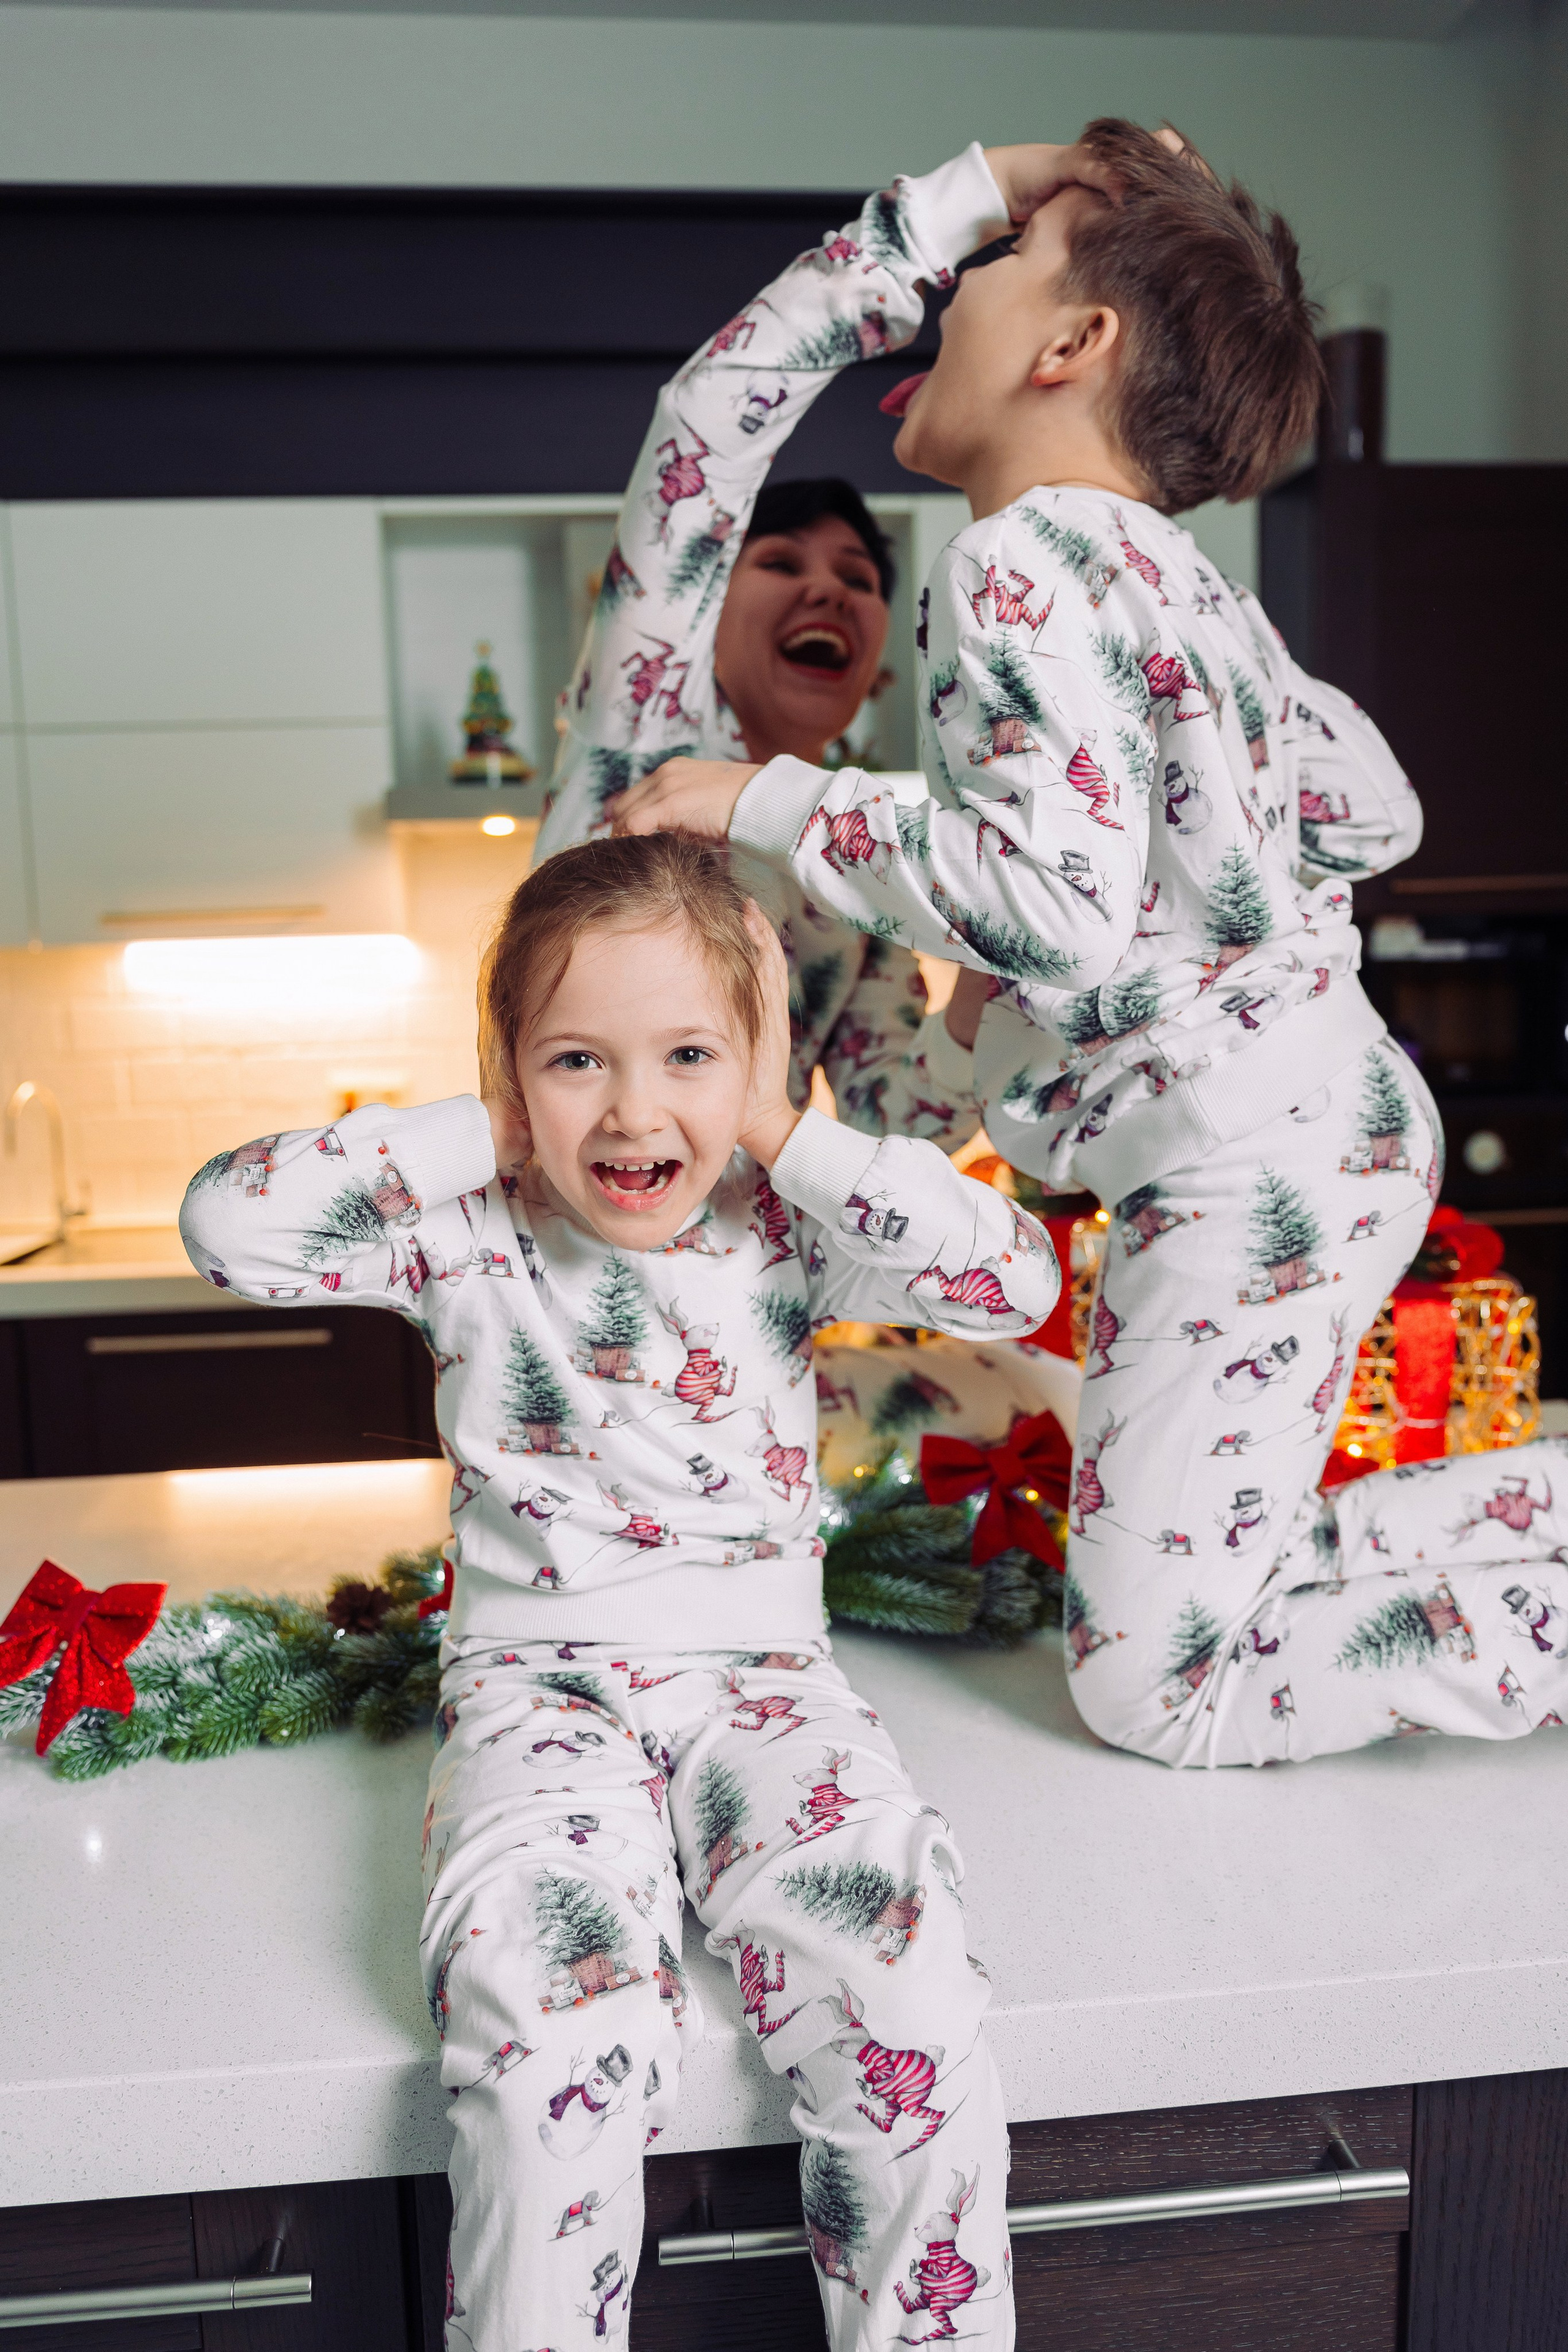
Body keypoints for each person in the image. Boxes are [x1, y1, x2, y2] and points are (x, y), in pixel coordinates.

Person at [610, 119, 1568, 1771]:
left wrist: (767, 802)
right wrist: (1158, 889)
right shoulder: (1181, 581)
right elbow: (1370, 807)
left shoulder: (1012, 562)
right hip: (1318, 1124)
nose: (947, 304)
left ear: (1070, 345)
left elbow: (1042, 899)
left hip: (1236, 1160)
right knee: (1216, 1592)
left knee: (1161, 1689)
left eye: (988, 272)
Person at [178, 829, 1059, 2349]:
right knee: (546, 2039)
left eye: (688, 1058)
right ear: (511, 1068)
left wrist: (789, 1130)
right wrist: (484, 1126)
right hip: (538, 1693)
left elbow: (1016, 1283)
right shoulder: (467, 1230)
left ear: (755, 1068)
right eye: (577, 1059)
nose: (636, 1110)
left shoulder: (785, 1221)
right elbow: (225, 1225)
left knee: (908, 1998)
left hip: (768, 1690)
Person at [535, 139, 1115, 1150]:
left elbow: (906, 1113)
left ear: (880, 667)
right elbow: (704, 432)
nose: (826, 589)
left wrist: (1001, 946)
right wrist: (971, 201)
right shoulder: (643, 729)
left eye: (857, 579)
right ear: (698, 609)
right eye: (782, 564)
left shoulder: (847, 860)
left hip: (748, 1304)